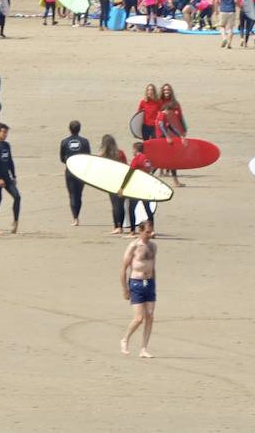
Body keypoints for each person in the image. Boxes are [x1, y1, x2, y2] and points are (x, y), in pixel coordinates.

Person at [120, 223, 157, 359]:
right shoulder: (133, 246)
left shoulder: (153, 246)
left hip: (149, 283)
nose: (150, 234)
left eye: (151, 231)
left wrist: (154, 284)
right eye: (147, 232)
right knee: (139, 318)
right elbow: (123, 269)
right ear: (140, 231)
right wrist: (125, 289)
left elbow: (153, 267)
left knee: (150, 316)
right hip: (136, 283)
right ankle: (125, 339)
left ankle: (144, 348)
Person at [0, 123, 20, 234]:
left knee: (17, 197)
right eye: (4, 132)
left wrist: (13, 175)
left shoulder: (6, 145)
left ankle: (15, 222)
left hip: (6, 176)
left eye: (6, 132)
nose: (5, 134)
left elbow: (10, 161)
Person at [59, 120, 92, 226]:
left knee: (72, 194)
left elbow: (61, 158)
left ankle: (75, 218)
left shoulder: (64, 142)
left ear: (69, 129)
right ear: (79, 129)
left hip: (70, 171)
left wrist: (69, 162)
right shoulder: (85, 141)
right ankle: (77, 214)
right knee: (79, 195)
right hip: (81, 171)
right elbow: (88, 156)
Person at [100, 134, 129, 235]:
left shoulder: (103, 156)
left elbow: (99, 170)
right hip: (122, 181)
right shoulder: (120, 153)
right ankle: (120, 226)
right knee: (121, 205)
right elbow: (126, 167)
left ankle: (117, 227)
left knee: (115, 205)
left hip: (111, 182)